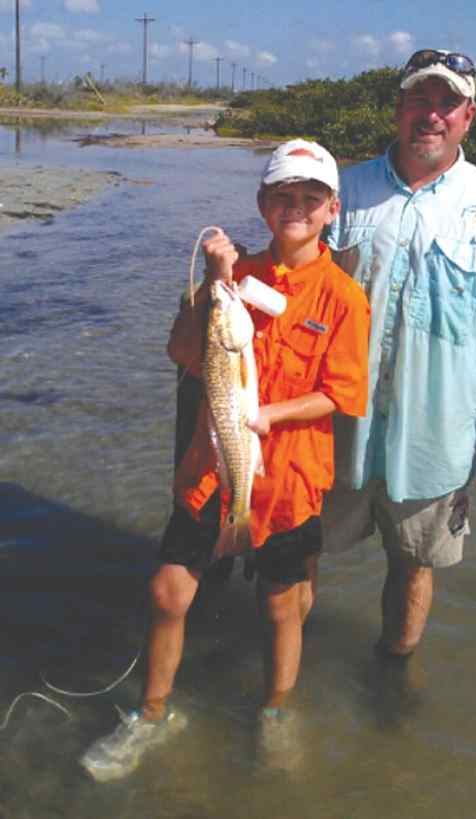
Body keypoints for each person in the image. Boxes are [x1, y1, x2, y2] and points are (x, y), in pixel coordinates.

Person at [81, 139, 370, 782]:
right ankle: (152, 715)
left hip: (289, 478)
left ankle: (275, 711)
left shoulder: (343, 297)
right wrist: (215, 284)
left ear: (331, 211)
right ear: (263, 205)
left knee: (281, 606)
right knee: (166, 591)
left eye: (310, 198)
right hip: (211, 468)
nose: (296, 207)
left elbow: (342, 394)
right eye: (283, 196)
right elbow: (183, 353)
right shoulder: (234, 277)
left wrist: (272, 415)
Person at [322, 48, 476, 660]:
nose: (432, 114)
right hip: (329, 428)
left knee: (414, 566)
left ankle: (390, 681)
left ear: (469, 115)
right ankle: (283, 684)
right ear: (398, 107)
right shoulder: (340, 194)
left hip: (435, 444)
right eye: (420, 99)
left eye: (447, 102)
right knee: (297, 556)